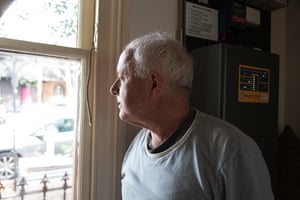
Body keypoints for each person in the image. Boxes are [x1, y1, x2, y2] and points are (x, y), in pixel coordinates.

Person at [110, 31, 274, 200]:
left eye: (122, 78)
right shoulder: (136, 147)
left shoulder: (232, 151)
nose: (113, 89)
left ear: (154, 84)